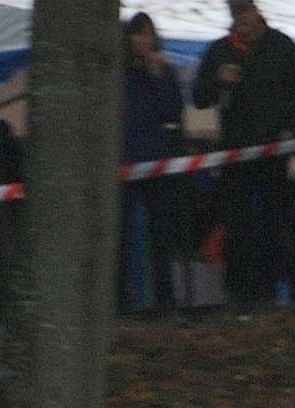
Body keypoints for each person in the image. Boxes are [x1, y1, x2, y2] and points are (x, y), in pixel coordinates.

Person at [190, 0, 295, 304]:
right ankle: (239, 294)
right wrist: (217, 80)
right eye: (235, 14)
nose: (240, 21)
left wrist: (290, 129)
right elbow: (199, 98)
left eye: (244, 13)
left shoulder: (282, 47)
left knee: (275, 223)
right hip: (235, 153)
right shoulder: (221, 50)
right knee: (237, 225)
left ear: (256, 13)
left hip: (274, 152)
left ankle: (272, 289)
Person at [120, 12, 189, 315]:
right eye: (137, 34)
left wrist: (160, 76)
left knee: (161, 232)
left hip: (157, 162)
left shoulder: (164, 71)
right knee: (121, 235)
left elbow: (173, 113)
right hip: (124, 163)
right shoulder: (119, 75)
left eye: (148, 34)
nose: (143, 40)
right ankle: (121, 300)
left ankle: (166, 298)